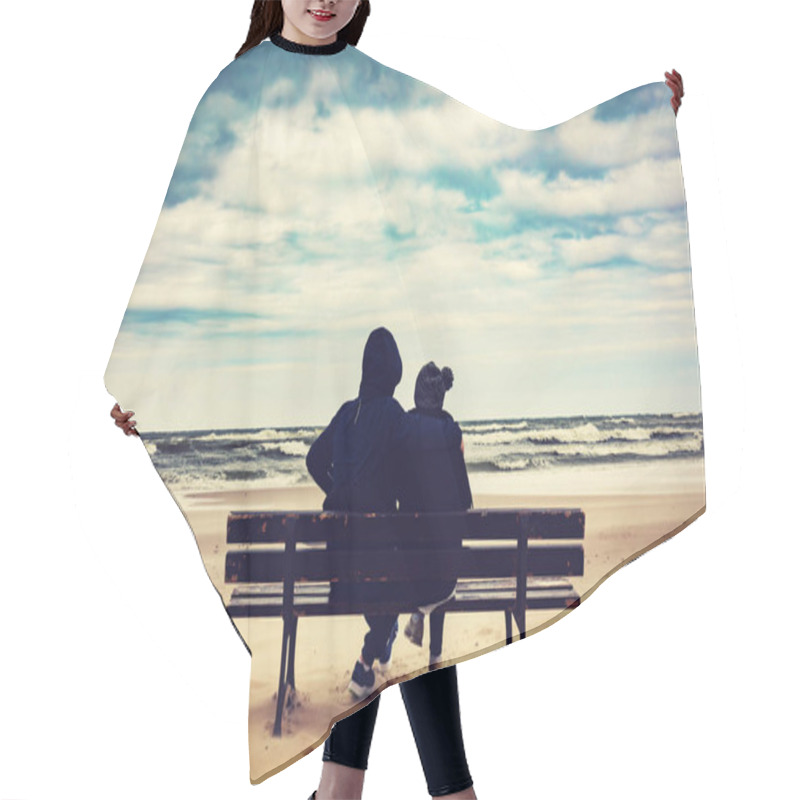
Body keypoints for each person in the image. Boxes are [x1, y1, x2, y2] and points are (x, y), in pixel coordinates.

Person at [109, 4, 685, 799]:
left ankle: (345, 789)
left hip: (356, 553)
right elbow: (186, 256)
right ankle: (435, 791)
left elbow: (487, 163)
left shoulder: (381, 93)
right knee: (400, 597)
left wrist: (637, 128)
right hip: (398, 545)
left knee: (372, 595)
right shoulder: (237, 95)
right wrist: (147, 382)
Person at [396, 362, 474, 667]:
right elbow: (465, 500)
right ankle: (436, 652)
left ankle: (420, 611)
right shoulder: (451, 431)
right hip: (443, 569)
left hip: (408, 561)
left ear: (416, 394)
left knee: (424, 549)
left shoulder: (403, 428)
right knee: (443, 553)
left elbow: (396, 488)